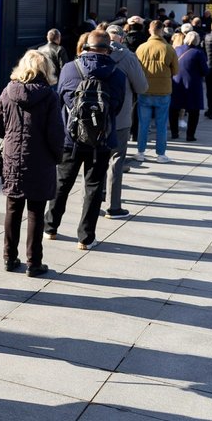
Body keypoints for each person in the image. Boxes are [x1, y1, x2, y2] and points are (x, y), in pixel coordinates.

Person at [45, 30, 126, 250]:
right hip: (101, 140)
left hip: (70, 138)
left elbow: (61, 97)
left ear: (86, 47)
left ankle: (50, 228)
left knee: (62, 183)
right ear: (108, 49)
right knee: (93, 187)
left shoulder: (70, 69)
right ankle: (85, 237)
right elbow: (116, 107)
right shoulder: (117, 75)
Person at [0, 51, 63, 276]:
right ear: (45, 69)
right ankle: (34, 262)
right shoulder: (50, 96)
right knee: (36, 211)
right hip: (40, 160)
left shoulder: (8, 91)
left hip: (13, 158)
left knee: (12, 208)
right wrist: (57, 156)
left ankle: (9, 258)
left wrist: (11, 135)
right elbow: (55, 133)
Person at [103, 25, 148, 218]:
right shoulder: (128, 58)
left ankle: (95, 199)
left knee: (96, 160)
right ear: (121, 38)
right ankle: (113, 207)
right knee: (116, 160)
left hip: (93, 118)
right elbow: (142, 86)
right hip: (120, 117)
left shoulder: (90, 54)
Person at [135, 22, 179, 163]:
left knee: (143, 123)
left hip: (145, 89)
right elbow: (176, 71)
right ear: (161, 31)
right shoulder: (169, 49)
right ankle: (160, 154)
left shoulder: (141, 48)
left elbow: (135, 69)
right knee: (161, 124)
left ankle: (141, 152)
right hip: (163, 90)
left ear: (150, 30)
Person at [170, 30, 209, 142]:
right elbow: (205, 71)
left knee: (174, 108)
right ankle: (190, 135)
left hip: (176, 82)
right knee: (194, 110)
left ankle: (174, 132)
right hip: (193, 84)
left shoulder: (177, 49)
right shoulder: (198, 53)